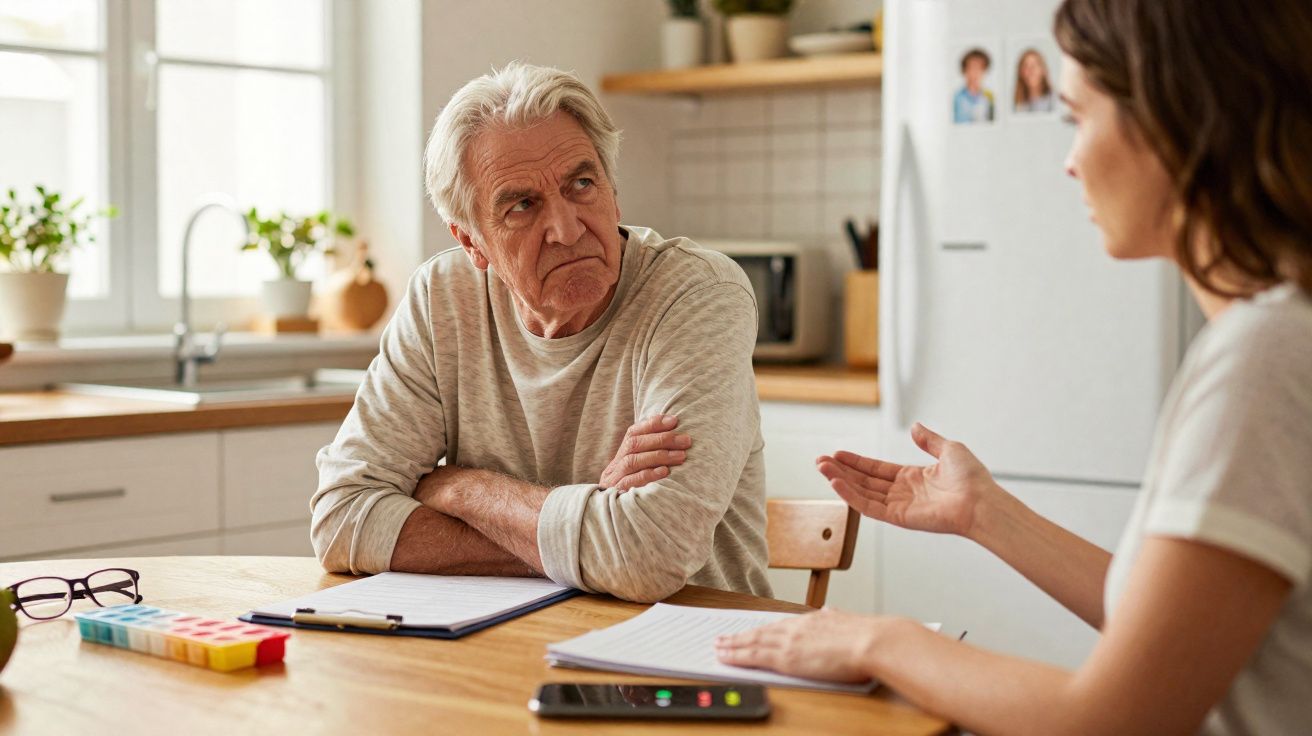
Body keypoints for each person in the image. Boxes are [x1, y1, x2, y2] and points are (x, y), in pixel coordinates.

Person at [716, 0, 1312, 733]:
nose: (1069, 160)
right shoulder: (1276, 339)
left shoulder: (1263, 360)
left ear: (1175, 119)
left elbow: (1113, 718)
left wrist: (878, 640)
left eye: (1076, 117)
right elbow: (1165, 630)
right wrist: (984, 512)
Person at [310, 62, 771, 603]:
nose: (567, 230)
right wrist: (589, 521)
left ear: (613, 193)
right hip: (506, 637)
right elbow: (341, 518)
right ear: (472, 242)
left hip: (693, 640)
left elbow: (648, 554)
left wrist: (461, 488)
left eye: (582, 185)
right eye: (523, 206)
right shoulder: (442, 298)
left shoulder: (696, 293)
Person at [953, 48, 995, 123]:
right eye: (972, 68)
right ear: (964, 70)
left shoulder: (989, 97)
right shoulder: (957, 98)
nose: (975, 72)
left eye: (979, 68)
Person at [1013, 48, 1054, 113]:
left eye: (1035, 65)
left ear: (1043, 70)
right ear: (1021, 72)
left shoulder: (1055, 101)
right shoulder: (1016, 105)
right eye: (1026, 66)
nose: (1031, 71)